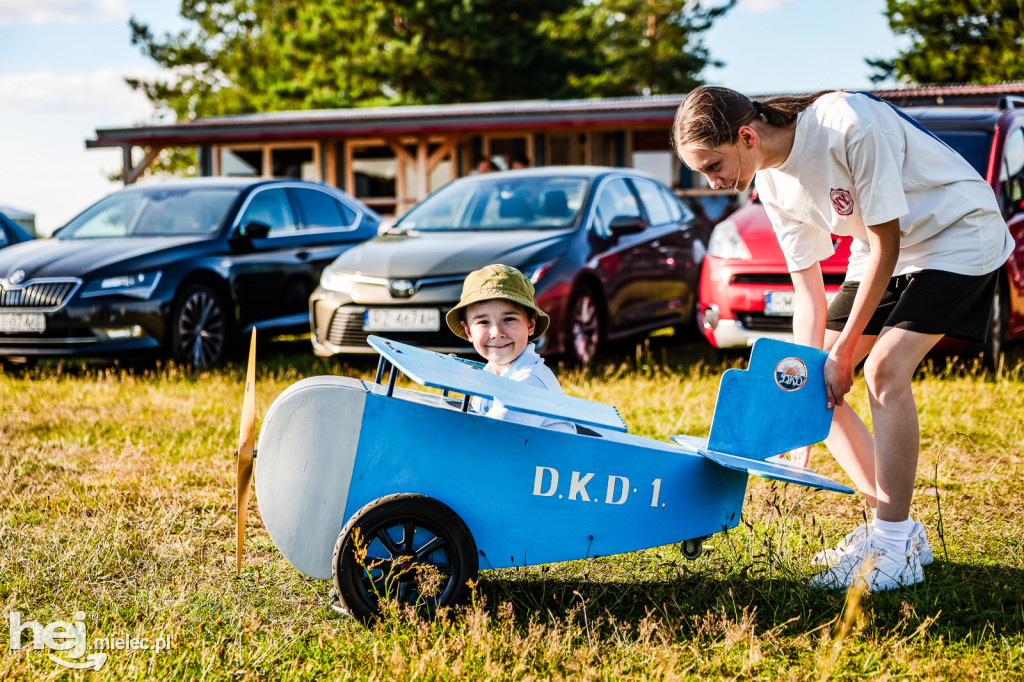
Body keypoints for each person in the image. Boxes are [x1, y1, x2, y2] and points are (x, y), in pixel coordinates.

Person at [671, 86, 1013, 591]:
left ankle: (893, 548)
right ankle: (897, 532)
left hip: (957, 233)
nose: (711, 180)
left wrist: (847, 352)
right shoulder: (771, 185)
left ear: (746, 135)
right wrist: (797, 407)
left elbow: (886, 243)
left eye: (713, 164)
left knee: (882, 371)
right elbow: (807, 290)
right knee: (811, 384)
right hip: (883, 255)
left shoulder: (847, 123)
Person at [446, 264, 575, 433]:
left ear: (530, 324)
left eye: (509, 319)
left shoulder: (529, 383)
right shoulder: (488, 374)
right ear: (469, 331)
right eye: (483, 322)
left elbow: (490, 439)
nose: (497, 333)